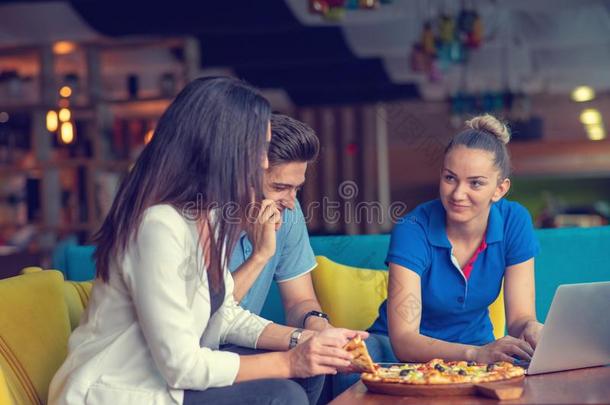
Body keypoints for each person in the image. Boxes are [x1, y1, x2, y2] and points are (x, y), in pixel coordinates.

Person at [48, 77, 366, 405]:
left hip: (167, 382)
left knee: (309, 372)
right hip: (121, 391)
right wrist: (290, 361)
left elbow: (222, 314)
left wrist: (302, 340)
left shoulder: (205, 218)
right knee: (281, 393)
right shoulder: (157, 226)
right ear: (224, 150)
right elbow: (181, 366)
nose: (264, 162)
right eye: (259, 149)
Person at [336, 114, 544, 393]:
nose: (458, 193)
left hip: (478, 348)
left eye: (476, 183)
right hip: (398, 354)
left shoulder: (514, 221)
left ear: (500, 189)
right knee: (353, 359)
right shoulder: (413, 229)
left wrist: (531, 328)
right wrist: (475, 355)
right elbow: (405, 338)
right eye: (450, 178)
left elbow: (519, 318)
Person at [229, 114, 330, 332]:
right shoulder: (200, 219)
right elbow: (206, 320)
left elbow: (299, 301)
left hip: (249, 347)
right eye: (279, 187)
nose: (291, 202)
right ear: (243, 176)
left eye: (297, 188)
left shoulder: (288, 213)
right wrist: (260, 255)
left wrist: (318, 325)